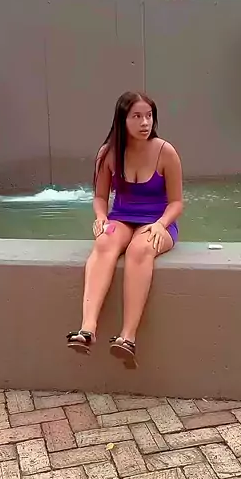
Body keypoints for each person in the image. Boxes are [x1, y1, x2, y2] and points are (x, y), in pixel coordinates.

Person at [67, 91, 183, 369]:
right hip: (121, 217)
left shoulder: (166, 151)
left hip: (157, 222)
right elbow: (100, 197)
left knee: (140, 249)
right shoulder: (107, 153)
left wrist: (161, 224)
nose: (145, 123)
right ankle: (87, 328)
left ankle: (127, 338)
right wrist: (100, 217)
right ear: (122, 120)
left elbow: (177, 202)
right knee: (104, 242)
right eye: (137, 116)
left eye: (149, 116)